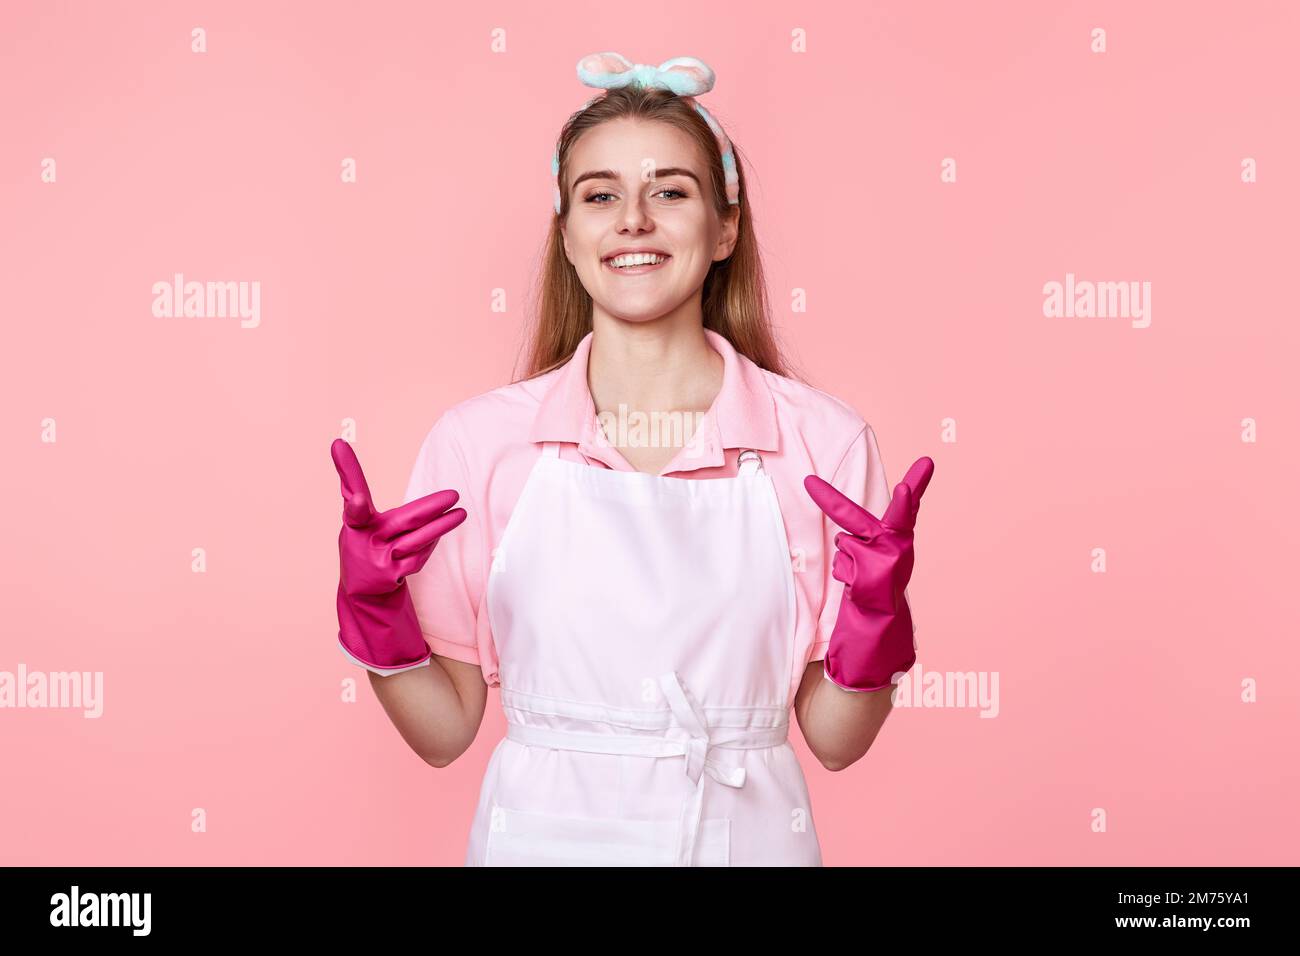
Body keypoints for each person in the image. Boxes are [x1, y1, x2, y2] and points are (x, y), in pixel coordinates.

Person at [332, 52, 935, 867]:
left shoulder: (822, 445)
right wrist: (379, 619)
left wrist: (875, 627)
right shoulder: (479, 444)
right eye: (601, 195)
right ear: (569, 236)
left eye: (671, 191)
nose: (633, 220)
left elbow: (834, 740)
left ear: (725, 228)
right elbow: (444, 732)